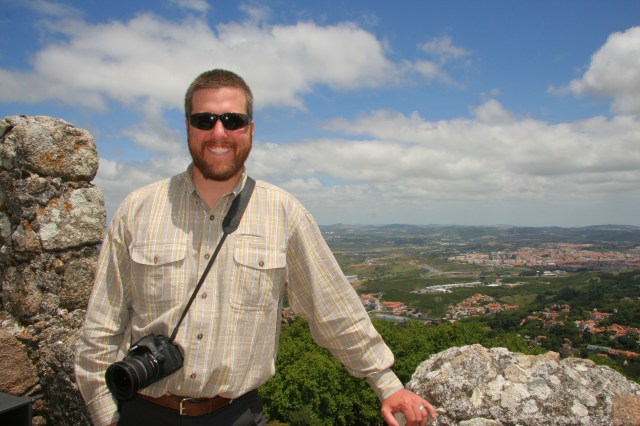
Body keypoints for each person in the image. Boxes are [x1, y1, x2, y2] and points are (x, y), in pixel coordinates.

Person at [75, 69, 437, 426]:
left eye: (233, 120)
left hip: (238, 414)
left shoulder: (283, 212)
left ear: (249, 129)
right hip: (145, 413)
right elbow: (100, 330)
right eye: (205, 120)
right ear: (188, 127)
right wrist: (107, 418)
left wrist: (386, 383)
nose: (219, 132)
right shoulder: (138, 210)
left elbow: (332, 306)